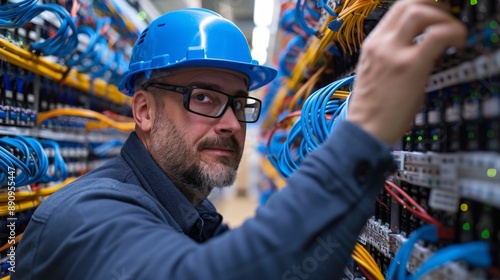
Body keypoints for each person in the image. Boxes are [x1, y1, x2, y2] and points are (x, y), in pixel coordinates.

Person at [14, 1, 466, 279]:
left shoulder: (195, 217)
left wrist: (368, 171)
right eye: (205, 98)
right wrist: (361, 135)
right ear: (144, 111)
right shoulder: (86, 214)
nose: (231, 122)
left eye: (238, 103)